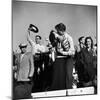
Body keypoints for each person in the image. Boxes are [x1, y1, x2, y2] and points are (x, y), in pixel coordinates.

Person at [50, 23, 75, 90]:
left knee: (68, 76)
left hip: (68, 58)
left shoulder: (69, 38)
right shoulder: (57, 36)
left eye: (58, 30)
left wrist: (63, 52)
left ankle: (69, 90)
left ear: (62, 30)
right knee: (57, 76)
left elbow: (72, 52)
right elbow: (52, 33)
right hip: (59, 58)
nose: (57, 32)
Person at [27, 26, 46, 92]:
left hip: (40, 61)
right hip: (34, 61)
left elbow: (44, 54)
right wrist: (28, 31)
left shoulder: (43, 47)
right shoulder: (33, 44)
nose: (36, 40)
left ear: (40, 39)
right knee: (34, 74)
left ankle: (41, 88)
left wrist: (40, 51)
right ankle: (34, 88)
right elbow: (28, 38)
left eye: (38, 39)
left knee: (40, 74)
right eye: (36, 38)